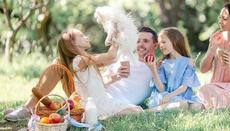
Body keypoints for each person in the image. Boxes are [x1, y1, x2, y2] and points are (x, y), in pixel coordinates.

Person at [4, 26, 158, 121]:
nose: (87, 37)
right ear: (74, 44)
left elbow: (107, 61)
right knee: (57, 64)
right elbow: (107, 62)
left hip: (95, 99)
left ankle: (29, 108)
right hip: (91, 96)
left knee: (58, 64)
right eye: (82, 36)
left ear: (155, 45)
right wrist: (115, 33)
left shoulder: (156, 66)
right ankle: (28, 107)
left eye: (146, 41)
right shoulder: (87, 59)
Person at [145, 27, 201, 112]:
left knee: (198, 106)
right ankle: (148, 112)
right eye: (160, 43)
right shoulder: (162, 63)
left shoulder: (188, 62)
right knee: (182, 105)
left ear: (175, 41)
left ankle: (161, 109)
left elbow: (184, 87)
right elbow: (161, 89)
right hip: (164, 97)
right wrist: (153, 70)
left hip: (180, 96)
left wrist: (170, 96)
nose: (161, 46)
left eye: (163, 42)